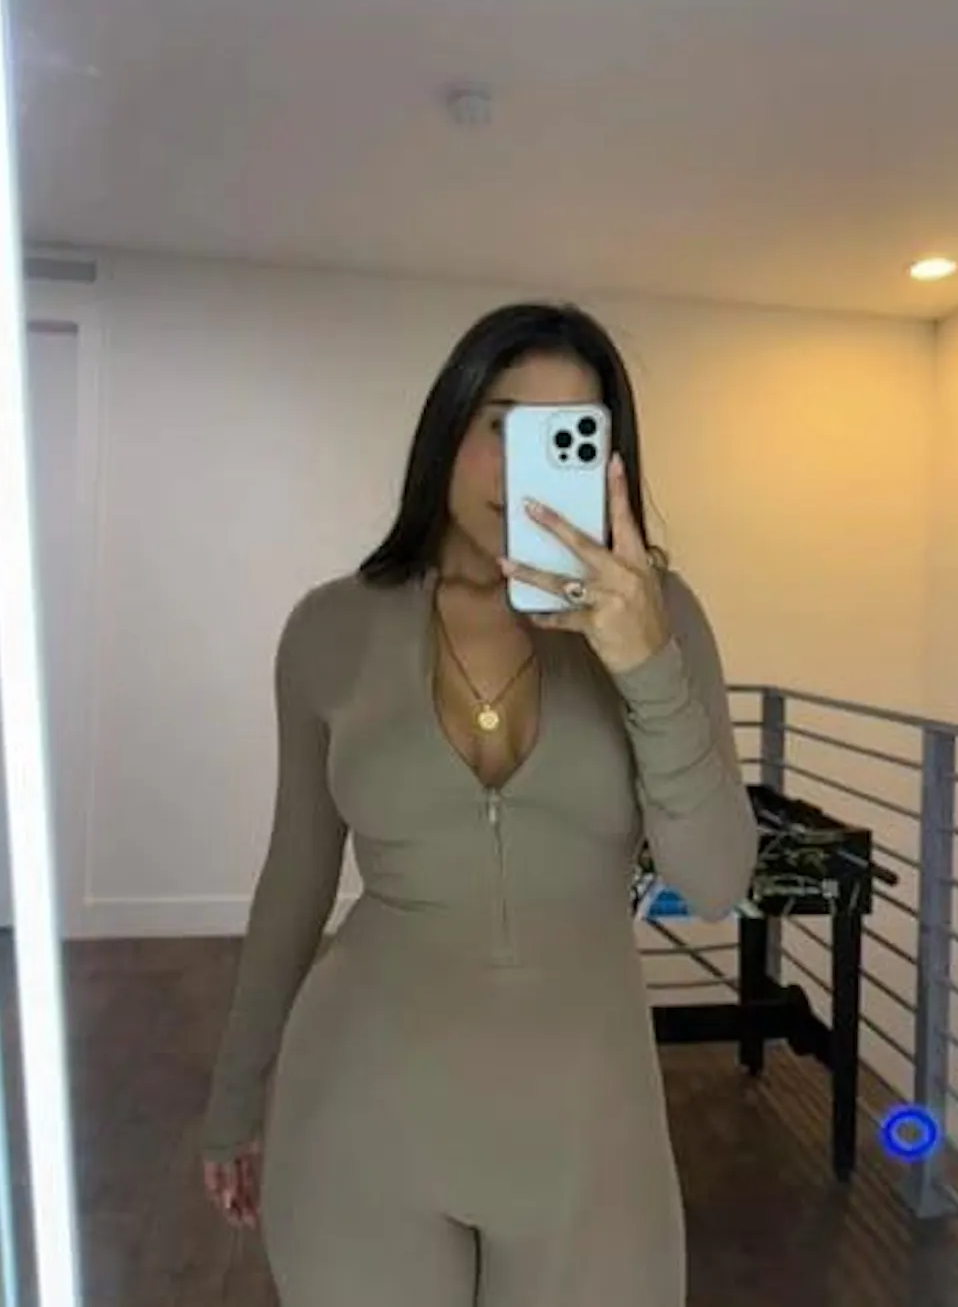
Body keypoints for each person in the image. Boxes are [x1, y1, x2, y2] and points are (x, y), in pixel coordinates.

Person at [201, 302, 758, 1307]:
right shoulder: (330, 628)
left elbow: (714, 880)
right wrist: (234, 1097)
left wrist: (646, 666)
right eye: (501, 425)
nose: (520, 467)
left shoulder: (659, 616)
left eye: (563, 436)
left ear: (605, 463)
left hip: (589, 1138)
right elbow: (294, 879)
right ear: (448, 425)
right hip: (357, 1119)